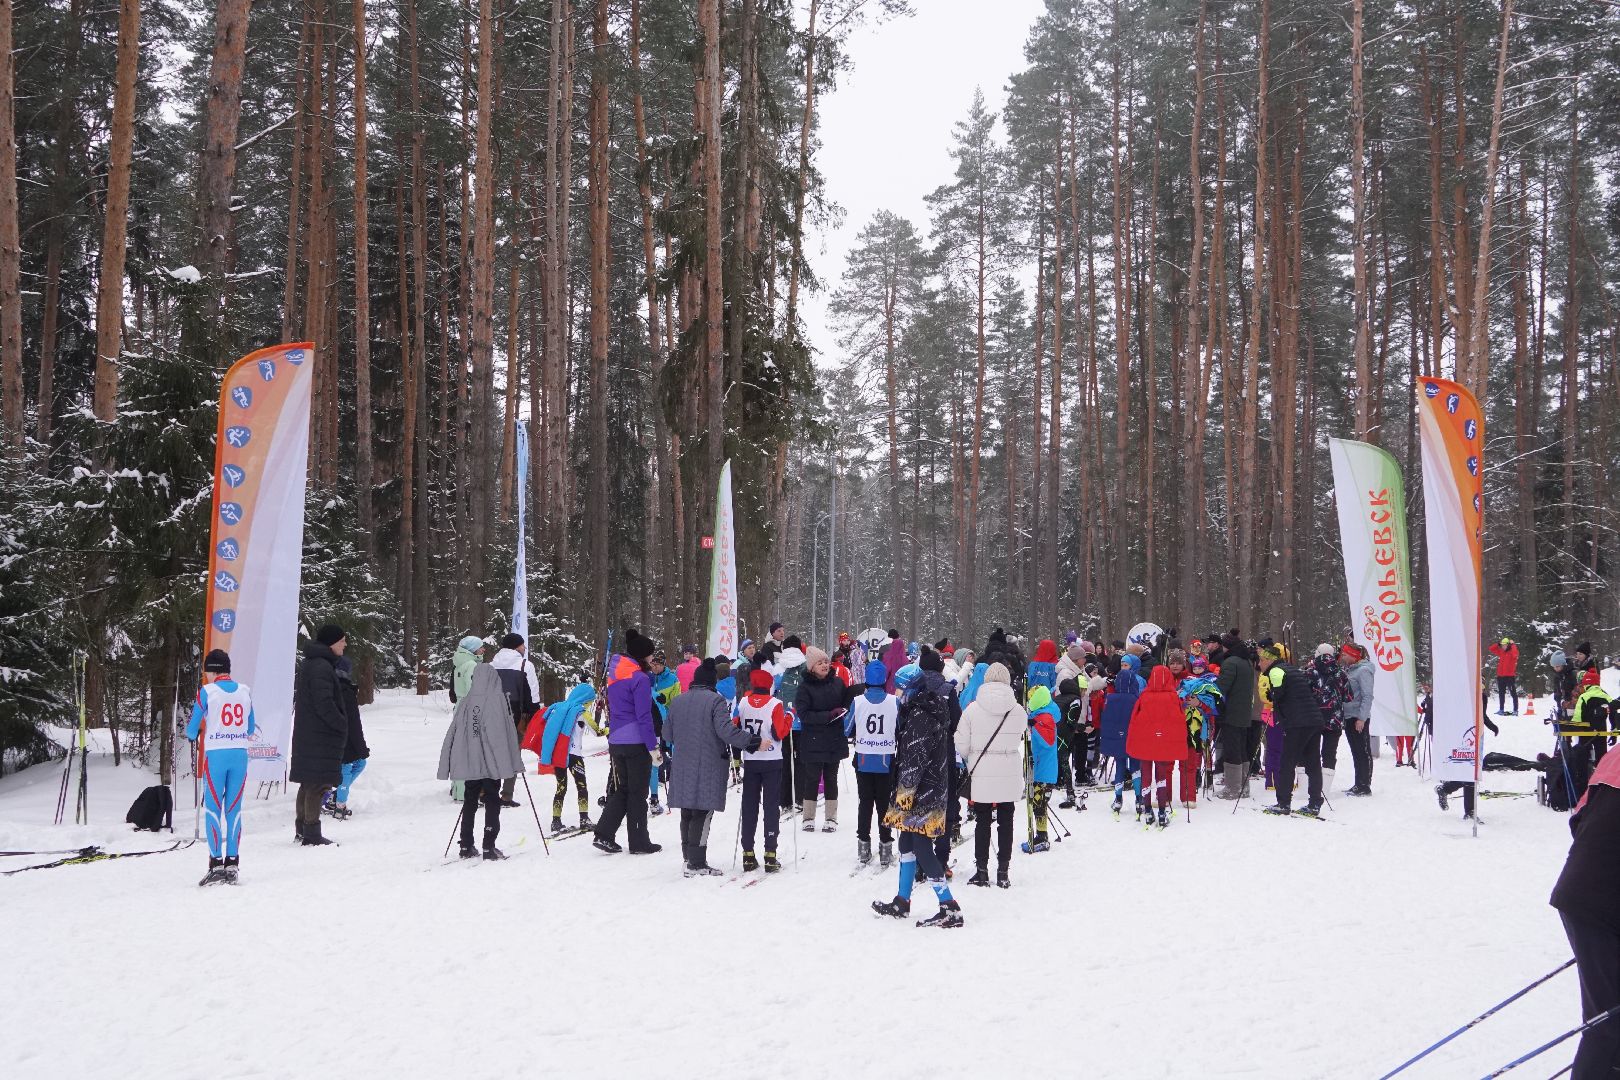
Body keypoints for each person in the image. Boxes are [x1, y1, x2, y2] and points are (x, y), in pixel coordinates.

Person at [873, 654, 964, 928]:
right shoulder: (922, 708)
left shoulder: (920, 715)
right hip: (927, 787)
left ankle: (949, 906)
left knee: (922, 846)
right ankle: (902, 900)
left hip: (922, 791)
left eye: (900, 689)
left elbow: (915, 759)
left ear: (911, 688)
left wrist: (905, 794)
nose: (897, 694)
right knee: (907, 843)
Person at [1550, 740, 1620, 1079]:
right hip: (1602, 902)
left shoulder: (1617, 753)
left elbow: (1578, 818)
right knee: (1609, 1023)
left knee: (1606, 1017)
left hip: (1579, 889)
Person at [665, 659, 762, 877]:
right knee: (703, 811)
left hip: (682, 763)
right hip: (708, 763)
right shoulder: (715, 701)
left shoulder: (678, 701)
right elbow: (726, 732)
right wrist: (752, 741)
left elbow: (667, 735)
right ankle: (696, 863)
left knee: (687, 811)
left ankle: (688, 858)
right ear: (711, 682)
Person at [437, 663, 524, 859]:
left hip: (471, 761)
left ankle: (466, 845)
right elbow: (499, 736)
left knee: (470, 801)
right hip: (490, 763)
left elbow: (455, 732)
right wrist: (508, 761)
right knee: (492, 800)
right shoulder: (497, 701)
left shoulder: (467, 702)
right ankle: (488, 846)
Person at [187, 649, 256, 885]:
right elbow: (250, 727)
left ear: (211, 670)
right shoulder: (245, 691)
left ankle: (216, 862)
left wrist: (200, 729)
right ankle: (233, 862)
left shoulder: (207, 692)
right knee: (234, 809)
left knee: (213, 808)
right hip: (239, 755)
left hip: (216, 755)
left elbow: (190, 729)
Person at [594, 628, 663, 855]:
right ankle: (639, 841)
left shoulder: (615, 674)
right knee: (637, 792)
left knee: (623, 789)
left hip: (616, 739)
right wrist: (653, 746)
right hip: (636, 742)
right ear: (643, 655)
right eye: (651, 655)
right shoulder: (639, 678)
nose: (653, 659)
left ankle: (604, 833)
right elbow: (643, 716)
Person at [955, 662, 1023, 888]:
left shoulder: (973, 709)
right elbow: (1020, 736)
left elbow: (961, 743)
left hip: (981, 772)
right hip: (1009, 772)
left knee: (982, 821)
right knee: (1007, 821)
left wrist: (971, 757)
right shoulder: (1018, 711)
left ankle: (981, 871)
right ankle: (1003, 872)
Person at [291, 624, 349, 846]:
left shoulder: (315, 664)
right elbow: (323, 702)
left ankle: (302, 829)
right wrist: (340, 723)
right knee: (315, 784)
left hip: (311, 733)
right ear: (332, 643)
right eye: (342, 640)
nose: (344, 644)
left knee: (308, 783)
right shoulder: (320, 667)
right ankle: (312, 833)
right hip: (318, 734)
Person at [736, 668, 793, 872]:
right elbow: (779, 733)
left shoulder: (743, 702)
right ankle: (770, 853)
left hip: (751, 759)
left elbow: (734, 724)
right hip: (771, 759)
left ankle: (748, 854)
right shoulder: (775, 704)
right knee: (770, 806)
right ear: (770, 685)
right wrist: (789, 717)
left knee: (749, 805)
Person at [846, 659, 900, 868]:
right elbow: (899, 727)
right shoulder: (894, 702)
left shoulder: (858, 701)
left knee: (865, 802)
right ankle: (886, 846)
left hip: (864, 759)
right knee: (885, 803)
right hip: (886, 759)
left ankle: (863, 847)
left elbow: (847, 727)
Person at [1262, 644, 1325, 817]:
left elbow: (1278, 694)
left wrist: (1271, 695)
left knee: (1287, 762)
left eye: (1261, 660)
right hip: (1313, 719)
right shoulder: (1291, 668)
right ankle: (1314, 803)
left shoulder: (1275, 671)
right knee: (1313, 763)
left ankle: (1283, 803)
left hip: (1297, 722)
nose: (1259, 664)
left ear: (1269, 660)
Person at [535, 669, 600, 835]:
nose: (590, 704)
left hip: (559, 754)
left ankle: (556, 821)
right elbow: (596, 731)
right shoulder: (581, 711)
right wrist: (608, 729)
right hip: (575, 755)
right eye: (590, 701)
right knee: (581, 786)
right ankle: (584, 819)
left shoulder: (559, 708)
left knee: (561, 787)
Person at [795, 646, 853, 832]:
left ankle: (831, 817)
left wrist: (845, 708)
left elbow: (846, 701)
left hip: (833, 739)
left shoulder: (837, 683)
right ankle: (808, 817)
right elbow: (804, 714)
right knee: (811, 778)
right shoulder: (805, 687)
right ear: (811, 667)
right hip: (812, 739)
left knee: (831, 777)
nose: (824, 665)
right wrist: (828, 716)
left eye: (826, 662)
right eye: (820, 663)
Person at [1127, 665, 1186, 827]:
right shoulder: (1173, 697)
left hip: (1146, 742)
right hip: (1163, 742)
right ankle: (1161, 812)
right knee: (1161, 776)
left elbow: (1134, 719)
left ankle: (1147, 811)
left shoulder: (1144, 697)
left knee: (1146, 775)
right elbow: (1178, 721)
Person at [491, 633, 540, 808]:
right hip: (516, 717)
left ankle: (487, 792)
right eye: (522, 645)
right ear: (516, 646)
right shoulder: (525, 665)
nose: (524, 648)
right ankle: (506, 795)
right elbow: (532, 695)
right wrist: (533, 716)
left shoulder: (491, 665)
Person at [1100, 654, 1144, 814]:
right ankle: (1139, 799)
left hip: (1117, 738)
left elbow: (1106, 718)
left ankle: (1118, 798)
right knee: (1135, 768)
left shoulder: (1110, 698)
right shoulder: (1136, 699)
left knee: (1119, 767)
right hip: (1133, 738)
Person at [1213, 634, 1254, 799]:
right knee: (1241, 749)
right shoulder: (1246, 661)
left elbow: (1222, 687)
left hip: (1231, 711)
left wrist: (1212, 685)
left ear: (1227, 647)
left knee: (1232, 749)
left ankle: (1233, 788)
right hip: (1244, 712)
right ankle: (1244, 787)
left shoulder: (1230, 662)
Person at [327, 655, 368, 819]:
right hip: (344, 741)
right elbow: (354, 723)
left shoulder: (334, 690)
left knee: (360, 763)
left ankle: (335, 798)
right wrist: (361, 747)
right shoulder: (345, 693)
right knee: (347, 770)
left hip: (339, 740)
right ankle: (339, 806)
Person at [1308, 644, 1351, 797]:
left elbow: (1303, 695)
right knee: (1329, 753)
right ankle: (1324, 789)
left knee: (1310, 751)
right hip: (1335, 719)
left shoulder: (1310, 672)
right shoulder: (1341, 673)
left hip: (1313, 718)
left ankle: (1309, 787)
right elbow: (1348, 697)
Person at [772, 638, 808, 813]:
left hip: (783, 722)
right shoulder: (806, 666)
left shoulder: (778, 667)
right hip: (802, 722)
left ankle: (784, 800)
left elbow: (772, 693)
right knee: (801, 761)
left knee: (784, 761)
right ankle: (800, 798)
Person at [448, 635, 485, 801]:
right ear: (472, 649)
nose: (483, 649)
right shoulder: (471, 665)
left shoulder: (460, 664)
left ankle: (458, 789)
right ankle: (467, 791)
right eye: (480, 647)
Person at [1025, 683, 1061, 849]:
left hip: (1044, 769)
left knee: (1039, 803)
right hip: (1041, 766)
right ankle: (1041, 835)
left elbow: (1048, 741)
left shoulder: (1045, 717)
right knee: (1037, 802)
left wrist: (1034, 725)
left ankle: (1042, 837)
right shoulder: (1043, 713)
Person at [1340, 643, 1374, 796]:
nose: (1343, 657)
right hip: (1348, 715)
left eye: (1345, 654)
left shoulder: (1364, 671)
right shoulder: (1350, 670)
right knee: (1355, 751)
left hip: (1357, 717)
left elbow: (1367, 696)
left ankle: (1364, 785)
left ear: (1354, 655)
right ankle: (1358, 783)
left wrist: (1362, 718)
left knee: (1362, 751)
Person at [1053, 675, 1091, 806]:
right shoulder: (1076, 700)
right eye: (1083, 689)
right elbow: (1071, 720)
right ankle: (1070, 793)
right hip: (1063, 734)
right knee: (1064, 762)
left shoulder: (1057, 698)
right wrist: (1082, 728)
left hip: (1052, 732)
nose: (1084, 692)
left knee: (1053, 760)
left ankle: (1046, 792)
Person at [1489, 636, 1520, 715]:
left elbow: (1515, 655)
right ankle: (1501, 709)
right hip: (1500, 676)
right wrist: (1498, 644)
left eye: (1504, 645)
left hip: (1509, 677)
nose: (1503, 646)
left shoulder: (1513, 651)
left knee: (1513, 693)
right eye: (1502, 645)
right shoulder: (1501, 652)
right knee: (1501, 694)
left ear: (1508, 645)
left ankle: (1515, 710)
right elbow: (1491, 649)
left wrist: (1513, 645)